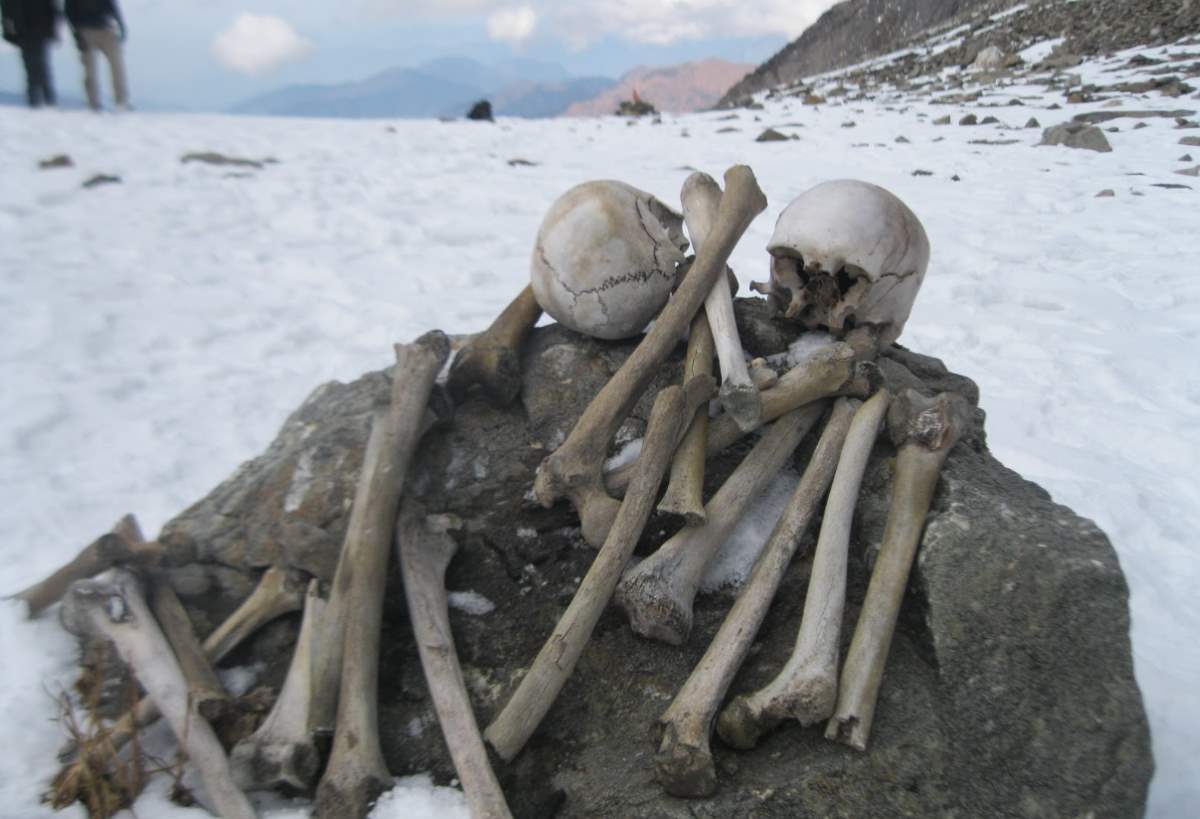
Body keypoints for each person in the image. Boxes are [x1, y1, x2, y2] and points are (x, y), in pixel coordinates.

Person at [64, 0, 127, 110]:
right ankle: (93, 103)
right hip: (86, 31)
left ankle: (121, 101)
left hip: (106, 28)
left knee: (117, 67)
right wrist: (77, 35)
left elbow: (112, 5)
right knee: (90, 70)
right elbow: (69, 12)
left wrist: (120, 25)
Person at [1, 0, 59, 108]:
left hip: (31, 30)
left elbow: (7, 12)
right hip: (29, 30)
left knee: (34, 63)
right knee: (36, 62)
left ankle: (40, 95)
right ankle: (43, 95)